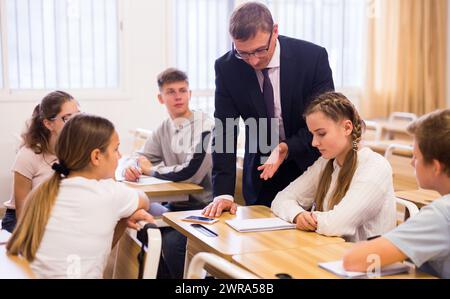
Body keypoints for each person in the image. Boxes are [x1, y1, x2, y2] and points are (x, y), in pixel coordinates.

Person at [203, 2, 334, 218]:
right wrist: (224, 193)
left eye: (260, 50)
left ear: (275, 31)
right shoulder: (228, 68)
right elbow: (225, 131)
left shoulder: (311, 58)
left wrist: (286, 148)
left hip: (309, 164)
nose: (253, 60)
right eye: (243, 53)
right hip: (262, 173)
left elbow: (325, 122)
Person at [7, 114, 155, 279]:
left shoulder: (43, 191)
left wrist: (120, 217)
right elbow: (144, 200)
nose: (119, 156)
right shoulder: (109, 192)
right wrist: (126, 212)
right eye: (116, 149)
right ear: (96, 156)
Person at [123, 68, 213, 279]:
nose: (178, 96)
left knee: (172, 243)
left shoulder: (206, 126)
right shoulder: (165, 127)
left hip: (203, 208)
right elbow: (141, 155)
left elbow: (190, 174)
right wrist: (134, 165)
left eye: (183, 90)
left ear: (190, 94)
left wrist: (150, 169)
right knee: (138, 221)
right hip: (175, 205)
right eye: (171, 91)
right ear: (160, 98)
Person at [271, 92, 396, 242]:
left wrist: (310, 218)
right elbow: (281, 199)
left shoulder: (375, 167)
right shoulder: (326, 163)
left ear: (347, 128)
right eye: (312, 135)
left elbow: (338, 224)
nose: (314, 143)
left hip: (366, 261)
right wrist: (297, 215)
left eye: (321, 134)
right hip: (330, 252)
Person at [343, 109, 450, 278]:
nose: (412, 163)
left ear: (436, 167)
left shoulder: (441, 214)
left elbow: (354, 260)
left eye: (415, 156)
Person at [1, 91, 80, 233]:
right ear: (48, 123)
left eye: (78, 116)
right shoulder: (28, 155)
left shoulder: (77, 149)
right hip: (22, 219)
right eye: (67, 119)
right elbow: (22, 212)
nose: (76, 124)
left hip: (55, 215)